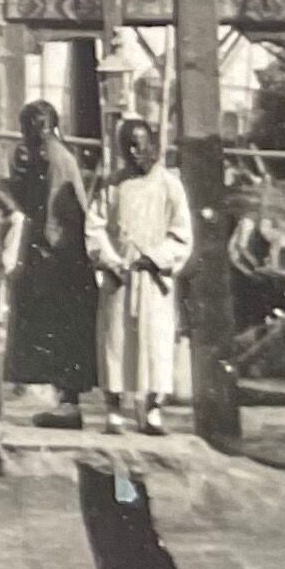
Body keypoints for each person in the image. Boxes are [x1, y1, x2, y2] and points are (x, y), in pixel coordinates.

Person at [90, 114, 194, 436]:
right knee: (115, 342)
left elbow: (181, 233)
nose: (135, 153)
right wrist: (111, 261)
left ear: (153, 146)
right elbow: (94, 228)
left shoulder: (169, 185)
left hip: (154, 278)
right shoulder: (111, 185)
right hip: (120, 276)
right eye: (128, 148)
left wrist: (155, 258)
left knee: (156, 343)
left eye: (140, 145)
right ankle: (115, 411)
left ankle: (151, 412)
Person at [0, 100, 98, 427]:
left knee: (61, 331)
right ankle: (64, 402)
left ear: (44, 127)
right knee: (54, 332)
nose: (26, 135)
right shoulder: (41, 158)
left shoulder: (56, 159)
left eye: (31, 128)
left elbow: (57, 214)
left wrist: (43, 251)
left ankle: (69, 405)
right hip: (56, 255)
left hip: (61, 260)